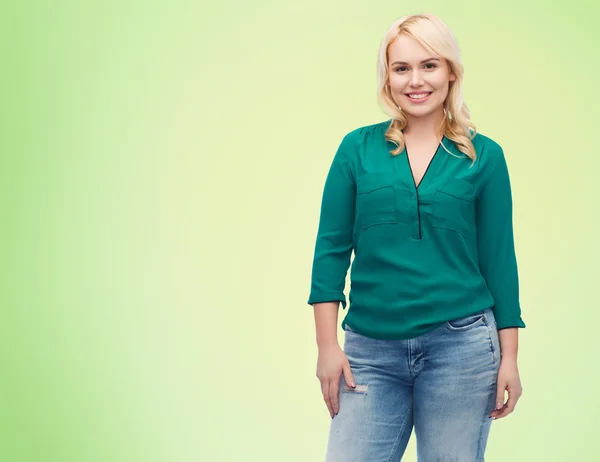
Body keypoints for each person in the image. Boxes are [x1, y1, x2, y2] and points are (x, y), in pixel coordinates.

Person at [307, 13, 526, 462]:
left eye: (429, 65)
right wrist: (327, 347)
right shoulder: (357, 148)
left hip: (461, 347)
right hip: (369, 350)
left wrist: (510, 358)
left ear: (450, 71)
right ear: (387, 78)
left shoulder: (484, 157)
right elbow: (330, 250)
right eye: (401, 68)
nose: (415, 80)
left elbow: (499, 260)